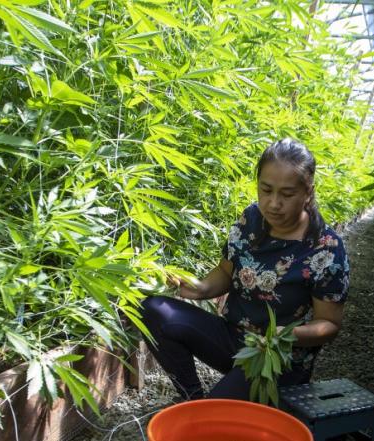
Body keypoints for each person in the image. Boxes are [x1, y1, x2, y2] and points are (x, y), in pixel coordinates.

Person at [140, 138, 350, 401]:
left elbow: (329, 325)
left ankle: (212, 406)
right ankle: (190, 398)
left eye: (287, 194)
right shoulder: (251, 219)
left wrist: (286, 336)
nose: (274, 203)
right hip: (233, 339)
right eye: (266, 190)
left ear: (308, 192)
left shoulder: (326, 249)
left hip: (278, 357)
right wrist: (199, 288)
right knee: (154, 310)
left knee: (215, 416)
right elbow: (227, 272)